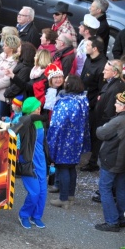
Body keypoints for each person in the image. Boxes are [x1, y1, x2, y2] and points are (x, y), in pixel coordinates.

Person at [47, 75, 91, 209]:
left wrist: (51, 140)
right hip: (76, 140)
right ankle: (70, 196)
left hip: (64, 140)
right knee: (71, 167)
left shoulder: (66, 102)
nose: (63, 83)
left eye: (66, 82)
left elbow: (57, 124)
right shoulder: (82, 100)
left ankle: (64, 199)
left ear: (69, 85)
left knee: (63, 167)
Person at [81, 59, 125, 172]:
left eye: (106, 70)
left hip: (105, 123)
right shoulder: (111, 82)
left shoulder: (117, 87)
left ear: (114, 72)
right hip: (100, 120)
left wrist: (104, 126)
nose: (103, 72)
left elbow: (111, 109)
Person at [15, 97, 48, 229]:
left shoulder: (41, 123)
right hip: (28, 162)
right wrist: (34, 116)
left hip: (41, 162)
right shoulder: (25, 122)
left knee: (43, 192)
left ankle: (36, 216)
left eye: (39, 106)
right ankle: (23, 215)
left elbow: (43, 143)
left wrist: (49, 160)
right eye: (36, 107)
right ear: (29, 109)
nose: (39, 109)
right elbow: (21, 122)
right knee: (34, 192)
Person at [94, 90, 125, 232]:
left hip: (112, 160)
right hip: (122, 162)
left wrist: (102, 127)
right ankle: (121, 218)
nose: (115, 104)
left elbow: (101, 133)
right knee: (121, 190)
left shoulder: (118, 121)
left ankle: (112, 221)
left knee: (105, 189)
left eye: (118, 103)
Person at [80, 36, 108, 172]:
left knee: (94, 133)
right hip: (84, 100)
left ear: (95, 48)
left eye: (88, 45)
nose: (86, 47)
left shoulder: (102, 65)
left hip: (93, 105)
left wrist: (91, 104)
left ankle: (92, 162)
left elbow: (102, 90)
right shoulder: (88, 58)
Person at [0, 35, 21, 119]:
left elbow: (7, 80)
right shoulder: (1, 56)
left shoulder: (14, 62)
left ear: (11, 48)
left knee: (1, 117)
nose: (3, 47)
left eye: (5, 45)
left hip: (3, 97)